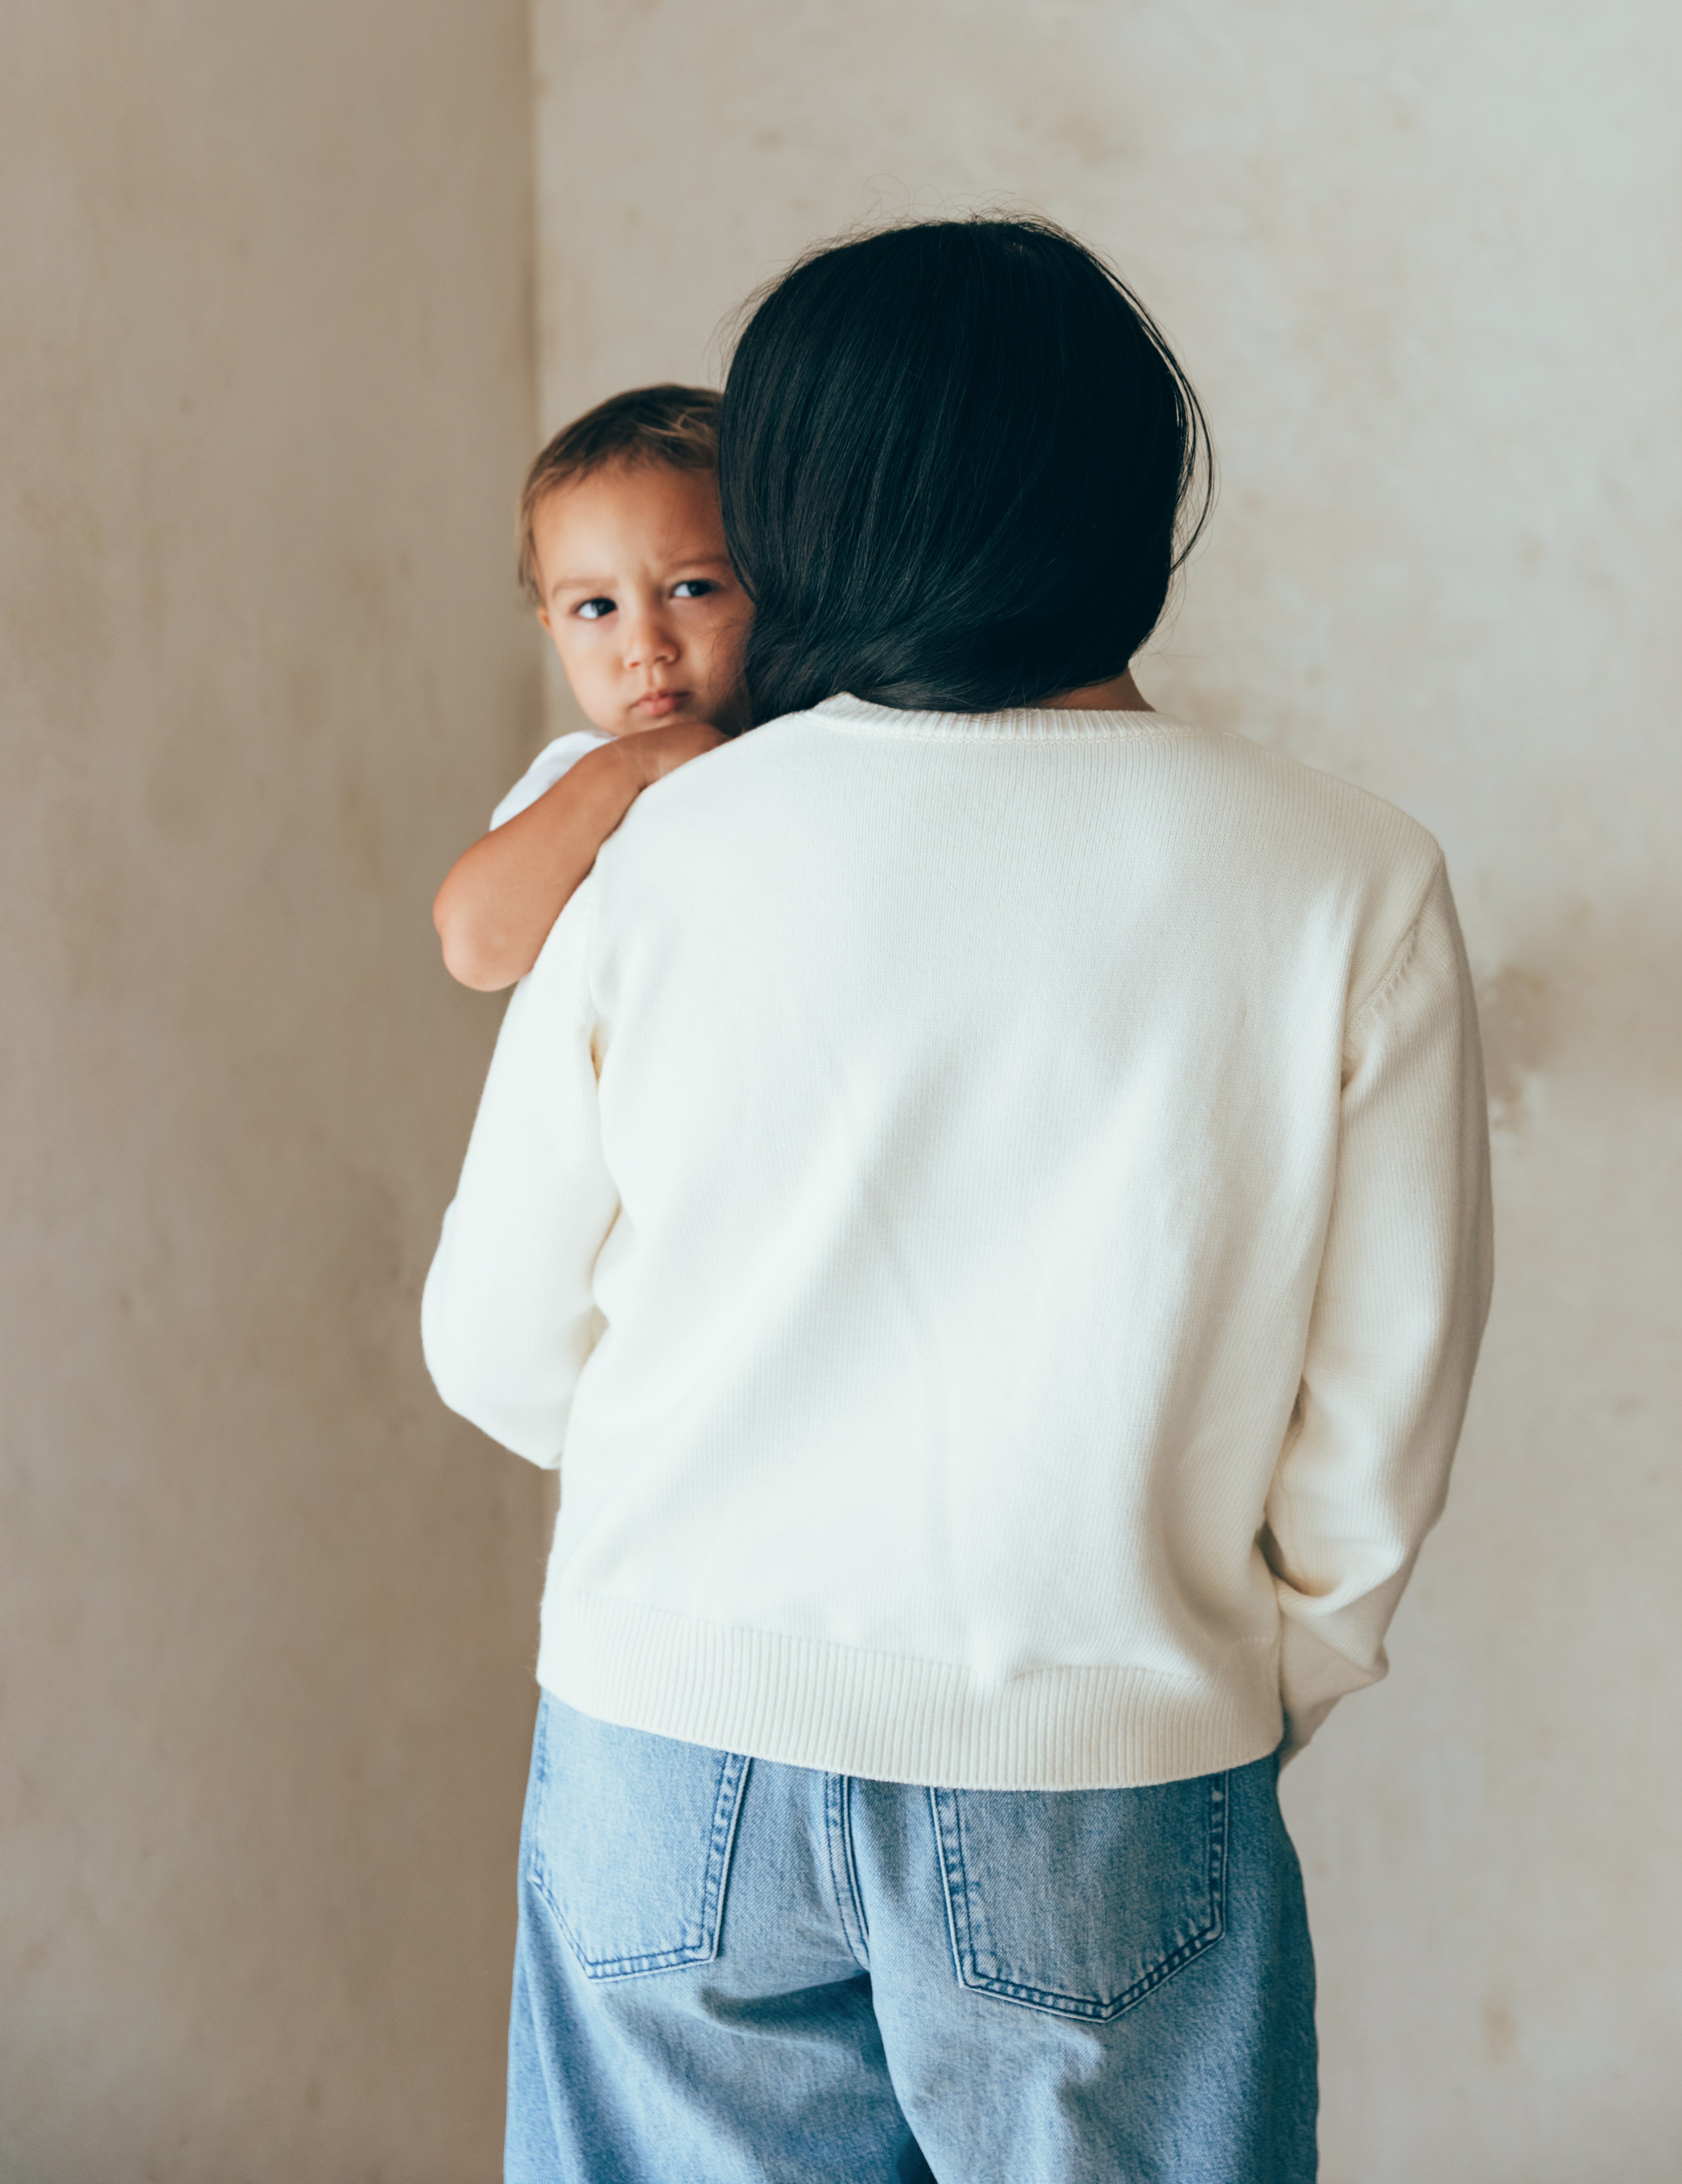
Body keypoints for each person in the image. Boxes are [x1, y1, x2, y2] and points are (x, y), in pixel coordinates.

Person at [423, 216, 1493, 2184]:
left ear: (798, 508)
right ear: (1132, 491)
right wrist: (1252, 1670)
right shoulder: (1346, 875)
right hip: (1104, 1746)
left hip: (668, 1736)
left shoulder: (661, 839)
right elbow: (1382, 1401)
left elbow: (492, 1343)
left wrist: (724, 1477)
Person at [432, 383, 749, 992]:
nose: (645, 646)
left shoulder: (806, 736)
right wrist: (629, 767)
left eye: (691, 589)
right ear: (552, 631)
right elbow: (475, 949)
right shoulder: (580, 775)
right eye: (598, 606)